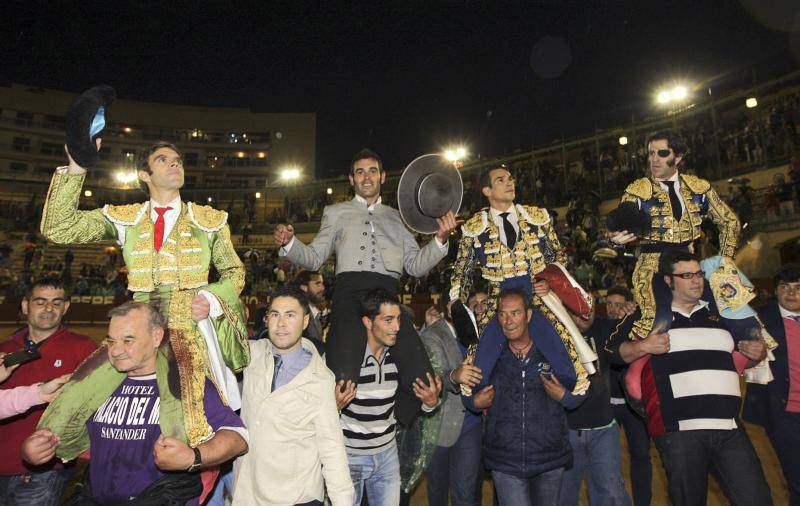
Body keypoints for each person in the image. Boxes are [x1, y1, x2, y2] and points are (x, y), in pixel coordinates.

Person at [40, 141, 249, 446]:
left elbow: (235, 272)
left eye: (178, 160)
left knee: (183, 415)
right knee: (77, 391)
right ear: (144, 174)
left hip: (188, 322)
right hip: (137, 322)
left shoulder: (210, 220)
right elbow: (59, 228)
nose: (175, 164)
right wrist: (77, 167)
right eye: (163, 160)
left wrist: (210, 298)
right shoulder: (126, 218)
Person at [275, 149, 456, 427]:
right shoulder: (335, 212)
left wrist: (440, 240)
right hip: (349, 295)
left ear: (382, 177)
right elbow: (314, 257)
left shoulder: (399, 217)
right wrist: (290, 244)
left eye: (372, 170)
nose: (366, 176)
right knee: (342, 378)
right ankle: (332, 438)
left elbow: (416, 266)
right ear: (351, 179)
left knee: (424, 380)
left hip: (387, 298)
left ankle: (393, 428)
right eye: (360, 172)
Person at [24, 301, 248, 505]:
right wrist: (34, 450)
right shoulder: (95, 386)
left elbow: (238, 436)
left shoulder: (186, 384)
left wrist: (193, 457)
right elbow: (69, 439)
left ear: (157, 337)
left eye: (128, 340)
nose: (116, 350)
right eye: (111, 340)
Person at [607, 251, 772, 506]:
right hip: (679, 431)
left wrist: (756, 355)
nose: (696, 281)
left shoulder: (721, 314)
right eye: (686, 275)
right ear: (667, 281)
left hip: (729, 427)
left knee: (757, 499)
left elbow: (740, 361)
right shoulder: (649, 316)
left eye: (698, 274)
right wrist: (645, 346)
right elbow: (613, 352)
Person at [450, 164, 591, 396]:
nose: (510, 183)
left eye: (511, 178)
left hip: (536, 296)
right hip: (499, 302)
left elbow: (557, 257)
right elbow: (462, 272)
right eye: (501, 180)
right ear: (486, 190)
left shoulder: (536, 217)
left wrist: (549, 281)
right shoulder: (474, 228)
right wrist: (457, 303)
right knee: (478, 374)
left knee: (569, 369)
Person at [610, 130, 740, 341]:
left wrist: (724, 262)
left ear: (678, 157)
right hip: (652, 266)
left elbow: (729, 221)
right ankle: (635, 371)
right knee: (657, 321)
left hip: (690, 263)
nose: (654, 159)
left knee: (739, 314)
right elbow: (620, 227)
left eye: (661, 153)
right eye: (651, 153)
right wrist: (616, 239)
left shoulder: (699, 188)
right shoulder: (638, 190)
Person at [233, 287, 353, 505]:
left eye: (290, 315)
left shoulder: (320, 379)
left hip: (296, 497)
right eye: (275, 315)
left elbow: (332, 450)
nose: (281, 324)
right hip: (248, 493)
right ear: (266, 319)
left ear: (305, 321)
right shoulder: (252, 354)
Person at [466, 289, 582, 506]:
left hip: (549, 458)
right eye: (502, 314)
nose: (507, 321)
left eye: (515, 313)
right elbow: (466, 392)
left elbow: (583, 389)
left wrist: (564, 397)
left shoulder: (553, 351)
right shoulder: (489, 356)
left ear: (529, 315)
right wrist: (473, 402)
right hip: (505, 460)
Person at [336, 289, 442, 506]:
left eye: (398, 319)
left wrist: (431, 403)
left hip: (387, 455)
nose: (396, 327)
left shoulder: (399, 359)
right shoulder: (343, 359)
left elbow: (414, 403)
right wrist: (333, 407)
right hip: (349, 457)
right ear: (368, 322)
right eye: (388, 320)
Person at [0, 277, 96, 505]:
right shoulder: (4, 350)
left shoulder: (83, 348)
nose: (48, 309)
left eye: (56, 302)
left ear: (66, 307)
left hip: (46, 467)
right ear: (25, 306)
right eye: (40, 301)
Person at [558, 303, 630, 506]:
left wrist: (629, 312)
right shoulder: (555, 333)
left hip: (603, 429)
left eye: (588, 308)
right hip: (566, 431)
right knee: (563, 495)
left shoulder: (604, 328)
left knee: (611, 494)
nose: (584, 314)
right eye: (577, 309)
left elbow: (633, 331)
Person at [743, 263, 800, 505]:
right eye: (784, 287)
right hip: (784, 413)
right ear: (775, 290)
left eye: (798, 287)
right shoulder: (758, 318)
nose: (791, 293)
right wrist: (746, 350)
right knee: (797, 479)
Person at [420, 295, 483, 506]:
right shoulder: (432, 334)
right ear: (446, 305)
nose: (461, 308)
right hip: (441, 424)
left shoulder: (479, 331)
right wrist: (455, 376)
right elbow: (436, 373)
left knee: (465, 492)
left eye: (466, 303)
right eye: (456, 302)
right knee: (438, 489)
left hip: (471, 423)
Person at [603, 286, 652, 506]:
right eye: (609, 304)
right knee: (607, 462)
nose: (613, 310)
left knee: (641, 455)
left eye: (619, 305)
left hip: (635, 408)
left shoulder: (637, 329)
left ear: (629, 306)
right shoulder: (600, 329)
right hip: (607, 407)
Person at [291, 270, 328, 355]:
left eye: (322, 283)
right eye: (318, 284)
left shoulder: (312, 309)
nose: (323, 288)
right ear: (304, 287)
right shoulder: (299, 312)